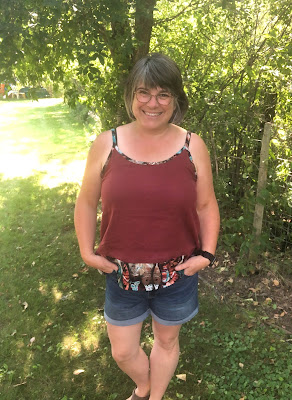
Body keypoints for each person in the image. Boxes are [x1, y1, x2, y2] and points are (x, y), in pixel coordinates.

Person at [74, 53, 220, 400]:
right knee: (123, 351)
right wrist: (86, 251)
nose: (152, 103)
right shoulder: (106, 144)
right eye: (144, 92)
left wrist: (207, 254)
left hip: (177, 272)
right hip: (121, 271)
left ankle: (152, 398)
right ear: (131, 96)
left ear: (176, 99)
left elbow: (206, 205)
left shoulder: (192, 145)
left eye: (163, 94)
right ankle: (143, 385)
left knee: (167, 342)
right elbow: (85, 201)